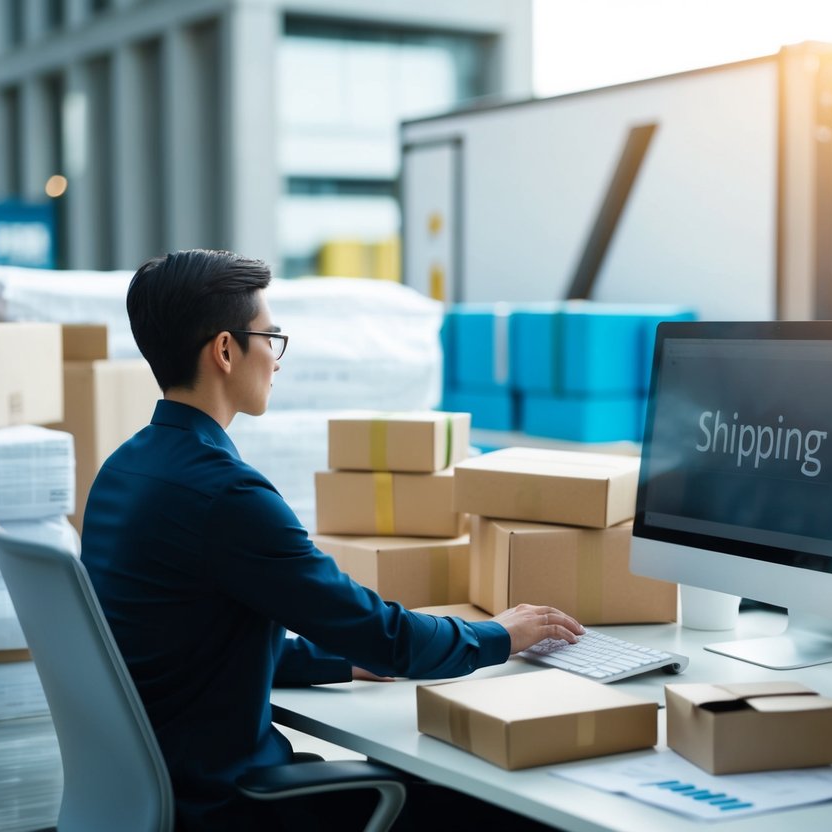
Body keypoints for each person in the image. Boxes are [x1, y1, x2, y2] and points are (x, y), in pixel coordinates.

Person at [80, 249, 584, 831]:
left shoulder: (123, 471)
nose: (276, 358)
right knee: (492, 798)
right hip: (233, 803)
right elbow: (384, 635)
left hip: (170, 788)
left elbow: (192, 649)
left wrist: (345, 662)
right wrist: (499, 635)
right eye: (270, 337)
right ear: (224, 350)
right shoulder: (227, 496)